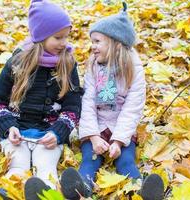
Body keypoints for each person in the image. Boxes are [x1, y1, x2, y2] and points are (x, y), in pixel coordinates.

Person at [59, 2, 164, 200]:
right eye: (93, 42)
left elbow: (132, 109)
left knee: (125, 162)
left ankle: (141, 190)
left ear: (116, 43)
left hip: (121, 126)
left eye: (98, 41)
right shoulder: (93, 65)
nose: (93, 47)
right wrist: (93, 136)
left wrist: (118, 140)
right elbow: (87, 102)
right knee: (90, 161)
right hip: (97, 125)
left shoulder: (134, 69)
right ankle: (81, 189)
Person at [0, 0, 82, 199]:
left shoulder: (67, 63)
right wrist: (9, 127)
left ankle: (45, 194)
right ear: (41, 37)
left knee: (46, 167)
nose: (64, 43)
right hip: (17, 133)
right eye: (58, 37)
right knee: (18, 165)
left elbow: (73, 105)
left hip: (48, 136)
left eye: (66, 37)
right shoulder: (18, 62)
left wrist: (59, 131)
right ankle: (6, 195)